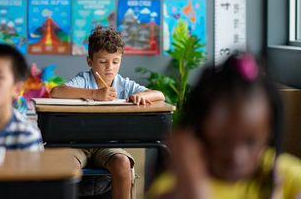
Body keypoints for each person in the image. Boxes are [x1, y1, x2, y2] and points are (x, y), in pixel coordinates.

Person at [147, 53, 301, 199]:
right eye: (222, 141)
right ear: (199, 131)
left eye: (250, 142)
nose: (236, 157)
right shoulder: (175, 186)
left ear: (269, 133)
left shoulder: (286, 176)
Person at [51, 26, 165, 199]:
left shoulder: (123, 84)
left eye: (115, 61)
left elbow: (160, 95)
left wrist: (141, 95)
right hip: (76, 144)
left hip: (106, 145)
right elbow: (56, 92)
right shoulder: (84, 80)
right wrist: (94, 94)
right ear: (90, 61)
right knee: (67, 166)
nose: (109, 68)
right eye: (103, 62)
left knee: (122, 163)